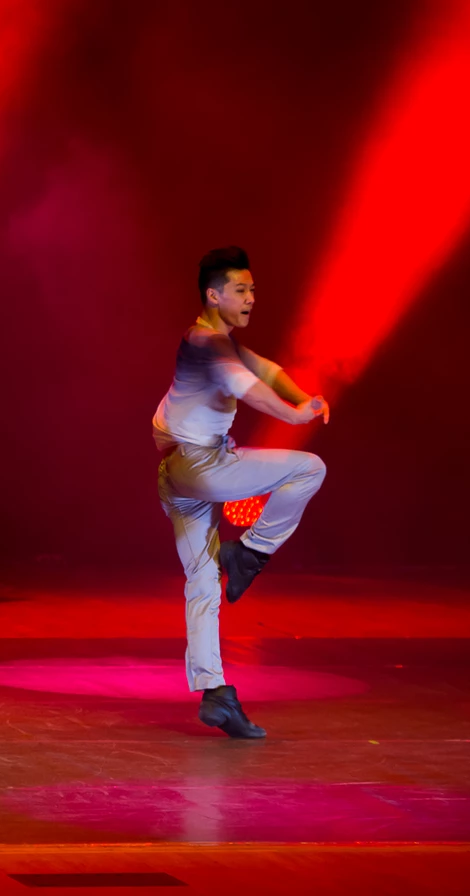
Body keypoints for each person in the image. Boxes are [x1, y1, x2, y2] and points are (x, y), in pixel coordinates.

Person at [154, 246, 329, 739]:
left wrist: (304, 397)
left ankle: (215, 693)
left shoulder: (221, 343)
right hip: (201, 466)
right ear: (214, 295)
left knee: (203, 581)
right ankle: (250, 553)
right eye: (241, 289)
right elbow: (247, 388)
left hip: (177, 476)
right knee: (309, 468)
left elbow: (265, 371)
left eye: (253, 289)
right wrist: (294, 416)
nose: (252, 297)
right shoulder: (206, 342)